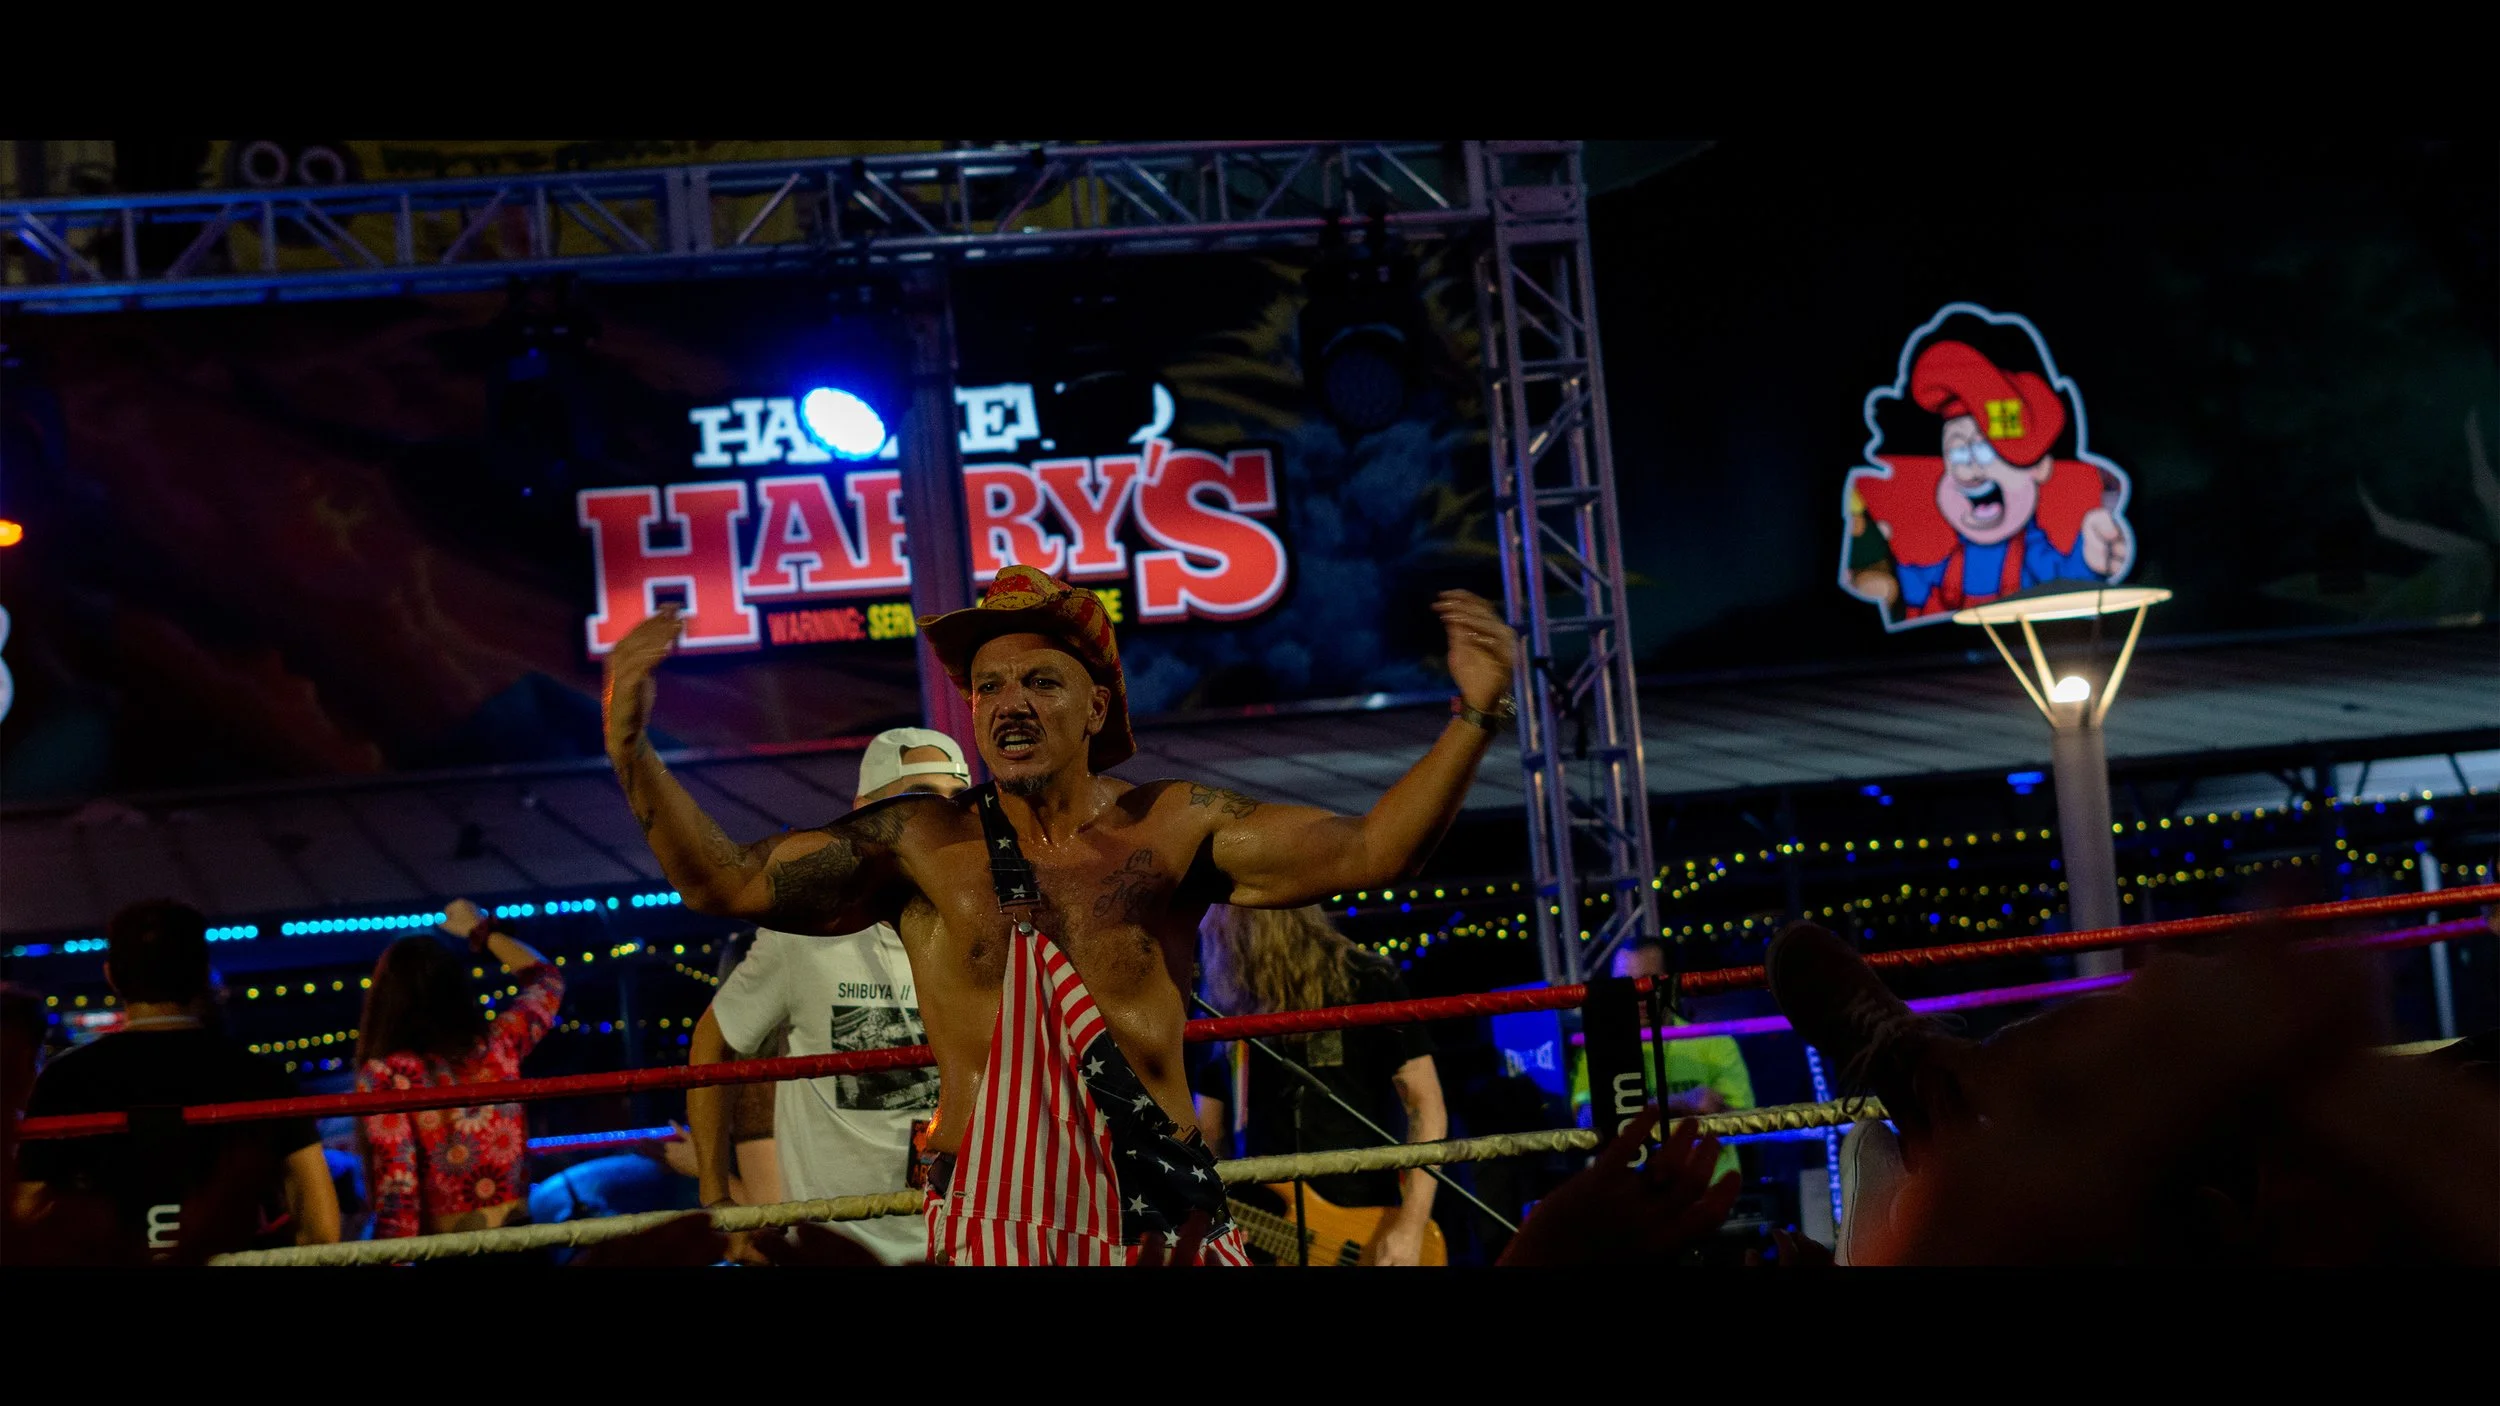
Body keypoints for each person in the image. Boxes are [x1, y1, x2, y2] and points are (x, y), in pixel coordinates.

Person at [603, 563, 1519, 1265]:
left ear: (1097, 707)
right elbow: (725, 883)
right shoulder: (921, 843)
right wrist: (633, 747)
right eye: (989, 687)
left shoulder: (1173, 827)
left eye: (1040, 682)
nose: (1010, 705)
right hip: (995, 1218)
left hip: (1157, 1210)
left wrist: (1476, 715)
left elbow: (1372, 850)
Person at [687, 727, 973, 1265]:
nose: (943, 818)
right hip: (838, 1246)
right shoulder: (804, 936)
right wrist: (715, 1196)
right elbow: (714, 1040)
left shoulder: (987, 929)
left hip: (965, 1239)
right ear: (864, 815)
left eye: (957, 800)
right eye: (920, 799)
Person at [14, 899, 341, 1262]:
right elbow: (321, 1225)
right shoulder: (261, 1076)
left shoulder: (65, 1078)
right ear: (204, 975)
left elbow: (27, 1210)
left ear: (111, 976)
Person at [1192, 903, 1448, 1265]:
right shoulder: (1223, 1004)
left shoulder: (1363, 979)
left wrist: (1410, 1227)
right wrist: (1218, 1214)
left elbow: (1426, 1104)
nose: (1207, 931)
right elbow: (1208, 1132)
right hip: (1264, 1231)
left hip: (1361, 1229)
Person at [356, 899, 563, 1243]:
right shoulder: (498, 1047)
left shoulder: (387, 1075)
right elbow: (547, 980)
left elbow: (399, 1193)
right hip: (522, 1240)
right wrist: (485, 934)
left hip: (449, 1251)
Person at [1607, 938, 1754, 1185]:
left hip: (1708, 1195)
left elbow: (1746, 1122)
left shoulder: (1715, 1042)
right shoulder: (1598, 1049)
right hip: (1629, 1197)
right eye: (1624, 983)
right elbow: (1588, 1119)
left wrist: (1639, 1112)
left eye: (1647, 981)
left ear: (1671, 983)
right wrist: (1684, 1102)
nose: (1636, 993)